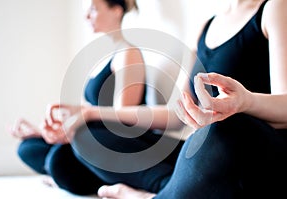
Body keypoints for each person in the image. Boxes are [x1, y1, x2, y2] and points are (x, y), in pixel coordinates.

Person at [42, 0, 287, 198]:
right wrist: (90, 113)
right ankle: (171, 188)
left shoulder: (274, 8)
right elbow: (176, 115)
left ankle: (152, 196)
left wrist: (245, 102)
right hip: (204, 148)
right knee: (87, 137)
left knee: (222, 130)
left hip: (249, 149)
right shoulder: (205, 26)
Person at [9, 0, 145, 195]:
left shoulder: (128, 54)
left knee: (58, 160)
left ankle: (66, 175)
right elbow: (84, 110)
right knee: (28, 147)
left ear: (116, 11)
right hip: (87, 137)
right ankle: (63, 174)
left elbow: (123, 120)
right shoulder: (102, 57)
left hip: (110, 143)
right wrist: (44, 131)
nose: (86, 16)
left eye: (93, 10)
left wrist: (77, 126)